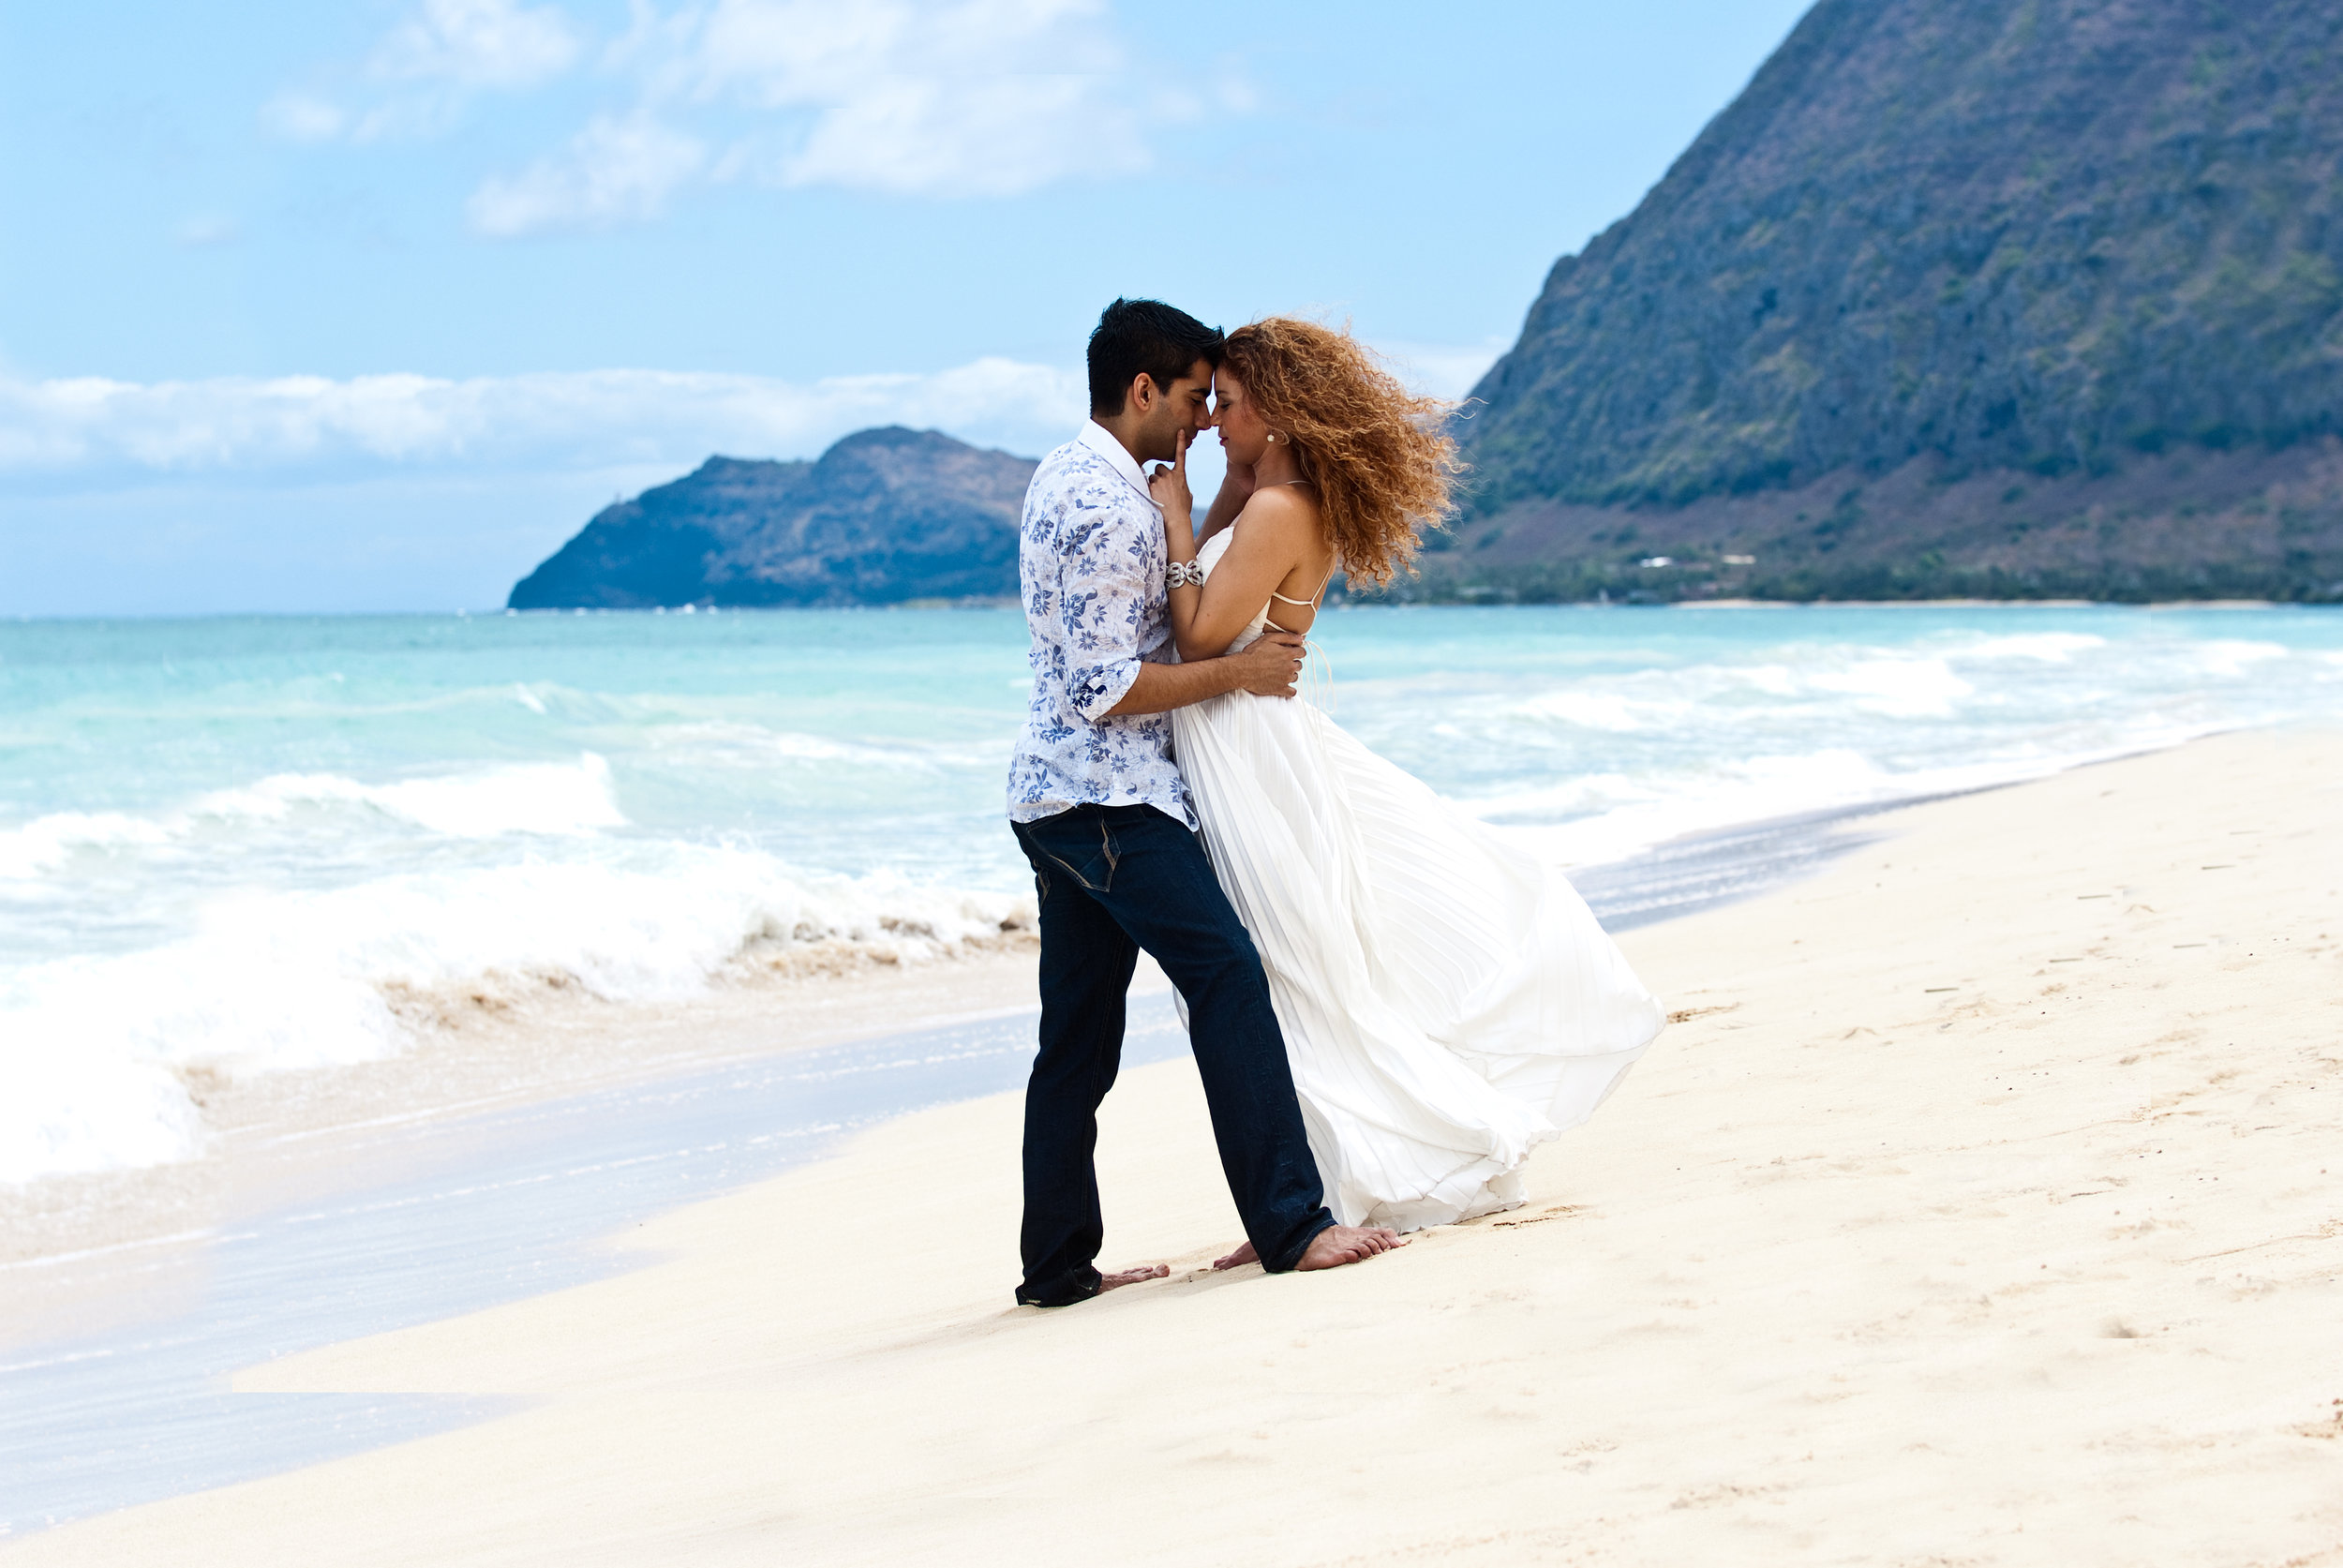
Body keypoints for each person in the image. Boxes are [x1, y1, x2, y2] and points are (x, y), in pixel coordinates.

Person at [1147, 316, 1664, 1262]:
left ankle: (1316, 1193)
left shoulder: (1278, 510)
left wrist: (1178, 513)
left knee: (1291, 971)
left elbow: (1195, 638)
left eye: (1229, 404)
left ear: (1277, 409)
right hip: (1241, 741)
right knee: (1287, 968)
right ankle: (1301, 1193)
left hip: (1243, 750)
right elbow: (1217, 602)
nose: (1214, 420)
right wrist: (1217, 489)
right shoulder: (1269, 497)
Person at [1005, 298, 1403, 1307]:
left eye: (1214, 402)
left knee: (1078, 1039)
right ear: (1141, 390)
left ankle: (1056, 1268)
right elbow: (1112, 687)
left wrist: (1205, 511)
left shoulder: (1075, 473)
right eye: (1190, 398)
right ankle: (1292, 1224)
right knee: (1227, 972)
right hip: (1108, 802)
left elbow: (1160, 619)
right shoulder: (1107, 506)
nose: (1197, 419)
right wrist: (1239, 673)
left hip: (1063, 797)